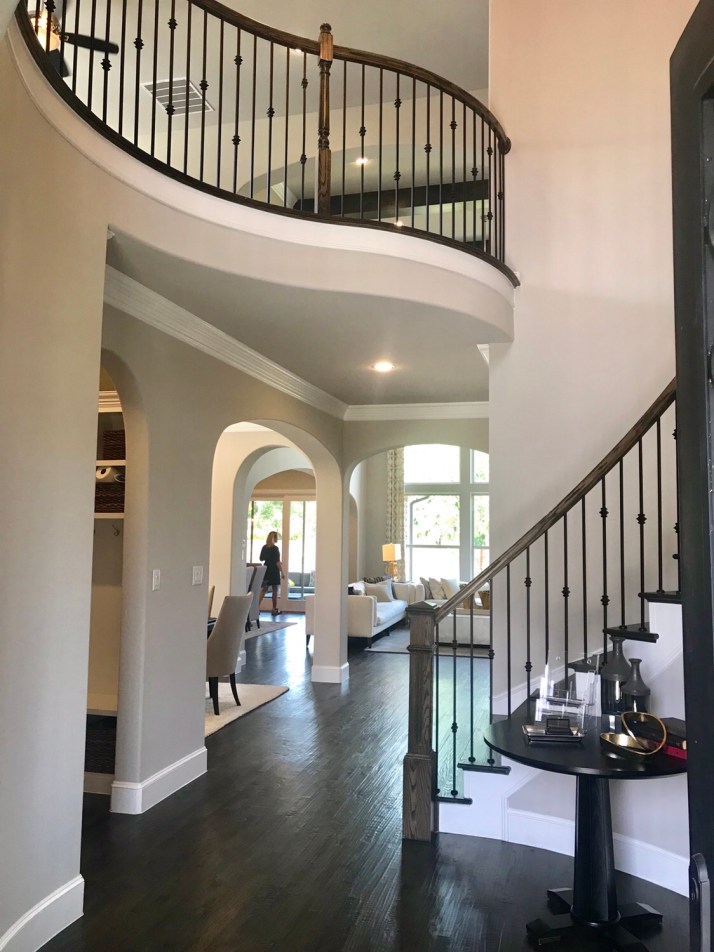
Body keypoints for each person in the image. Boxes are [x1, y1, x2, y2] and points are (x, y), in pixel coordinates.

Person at [259, 531, 285, 616]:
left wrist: (268, 558)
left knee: (263, 590)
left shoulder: (264, 547)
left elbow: (261, 558)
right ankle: (274, 609)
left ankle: (255, 608)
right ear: (275, 538)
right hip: (274, 571)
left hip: (266, 570)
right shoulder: (275, 549)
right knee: (275, 590)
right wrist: (282, 572)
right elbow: (277, 562)